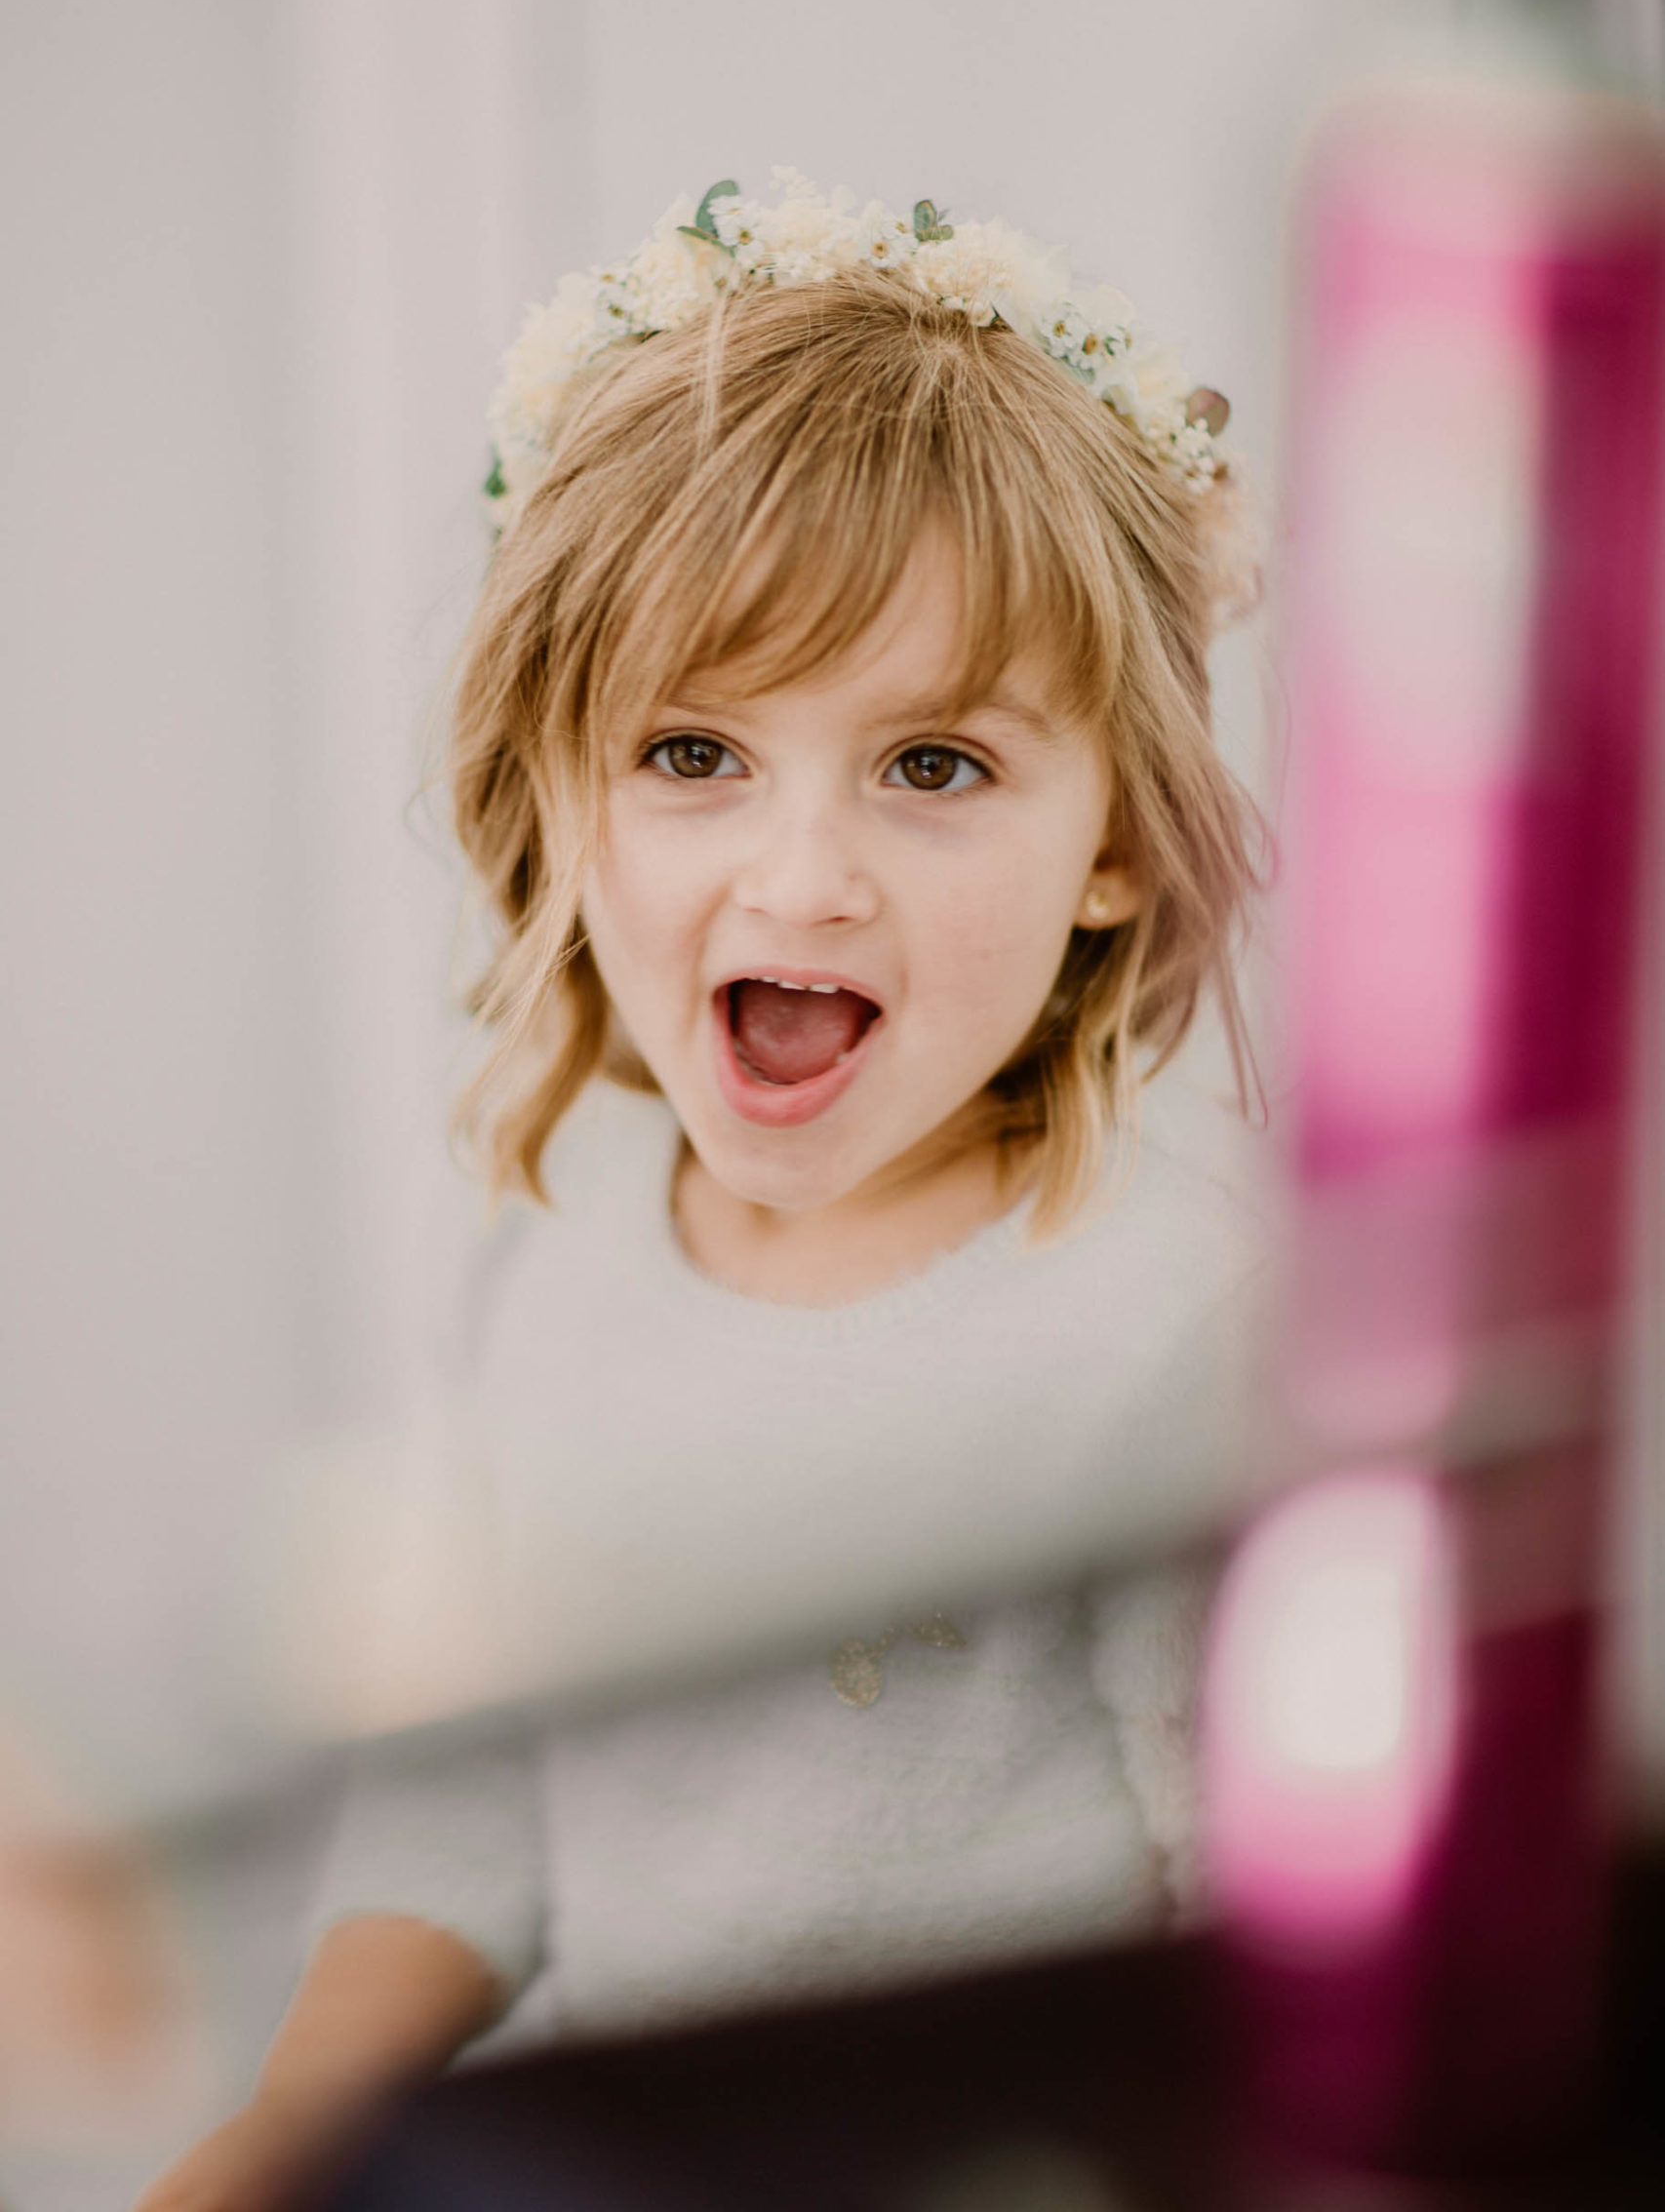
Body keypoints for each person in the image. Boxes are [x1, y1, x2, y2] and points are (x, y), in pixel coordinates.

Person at [136, 175, 1274, 2209]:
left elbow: (1265, 1921)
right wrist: (270, 2138)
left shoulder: (1162, 1321)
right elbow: (462, 1821)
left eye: (929, 765)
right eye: (690, 752)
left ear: (1114, 834)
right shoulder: (553, 1280)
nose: (801, 873)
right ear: (557, 800)